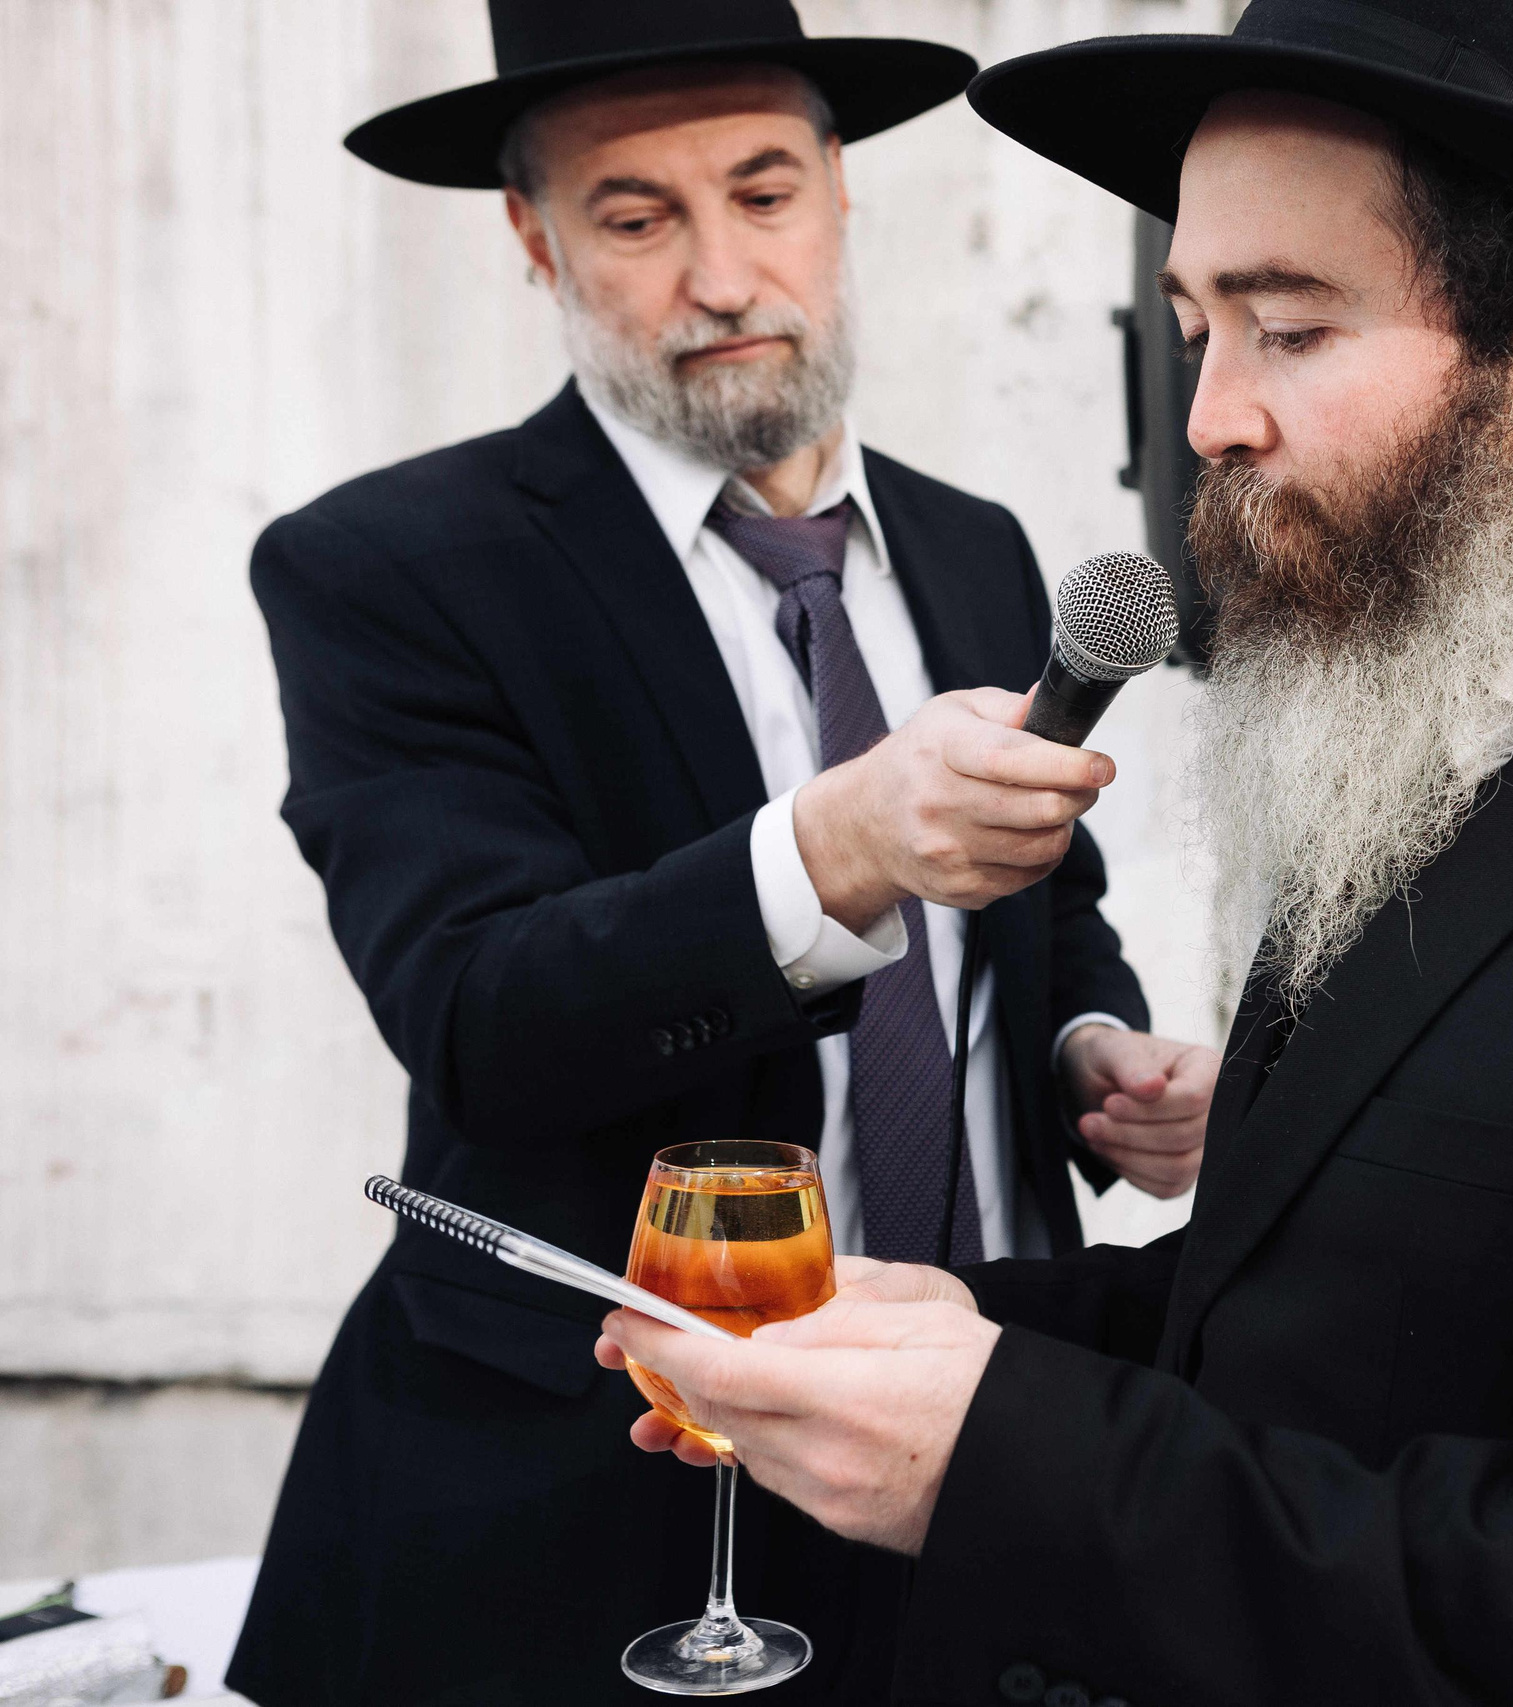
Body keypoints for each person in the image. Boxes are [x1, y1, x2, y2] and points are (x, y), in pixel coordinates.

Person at [598, 4, 1513, 1704]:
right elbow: (1330, 1309)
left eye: (1291, 330)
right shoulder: (1438, 733)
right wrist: (934, 1331)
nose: (1214, 418)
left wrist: (1000, 1451)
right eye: (1195, 329)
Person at [229, 4, 1216, 1702]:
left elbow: (1053, 911)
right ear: (535, 239)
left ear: (842, 199)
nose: (719, 275)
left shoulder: (975, 546)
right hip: (588, 1505)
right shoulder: (385, 571)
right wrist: (833, 844)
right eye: (636, 216)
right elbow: (482, 1013)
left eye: (764, 195)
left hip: (985, 1443)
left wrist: (1090, 1053)